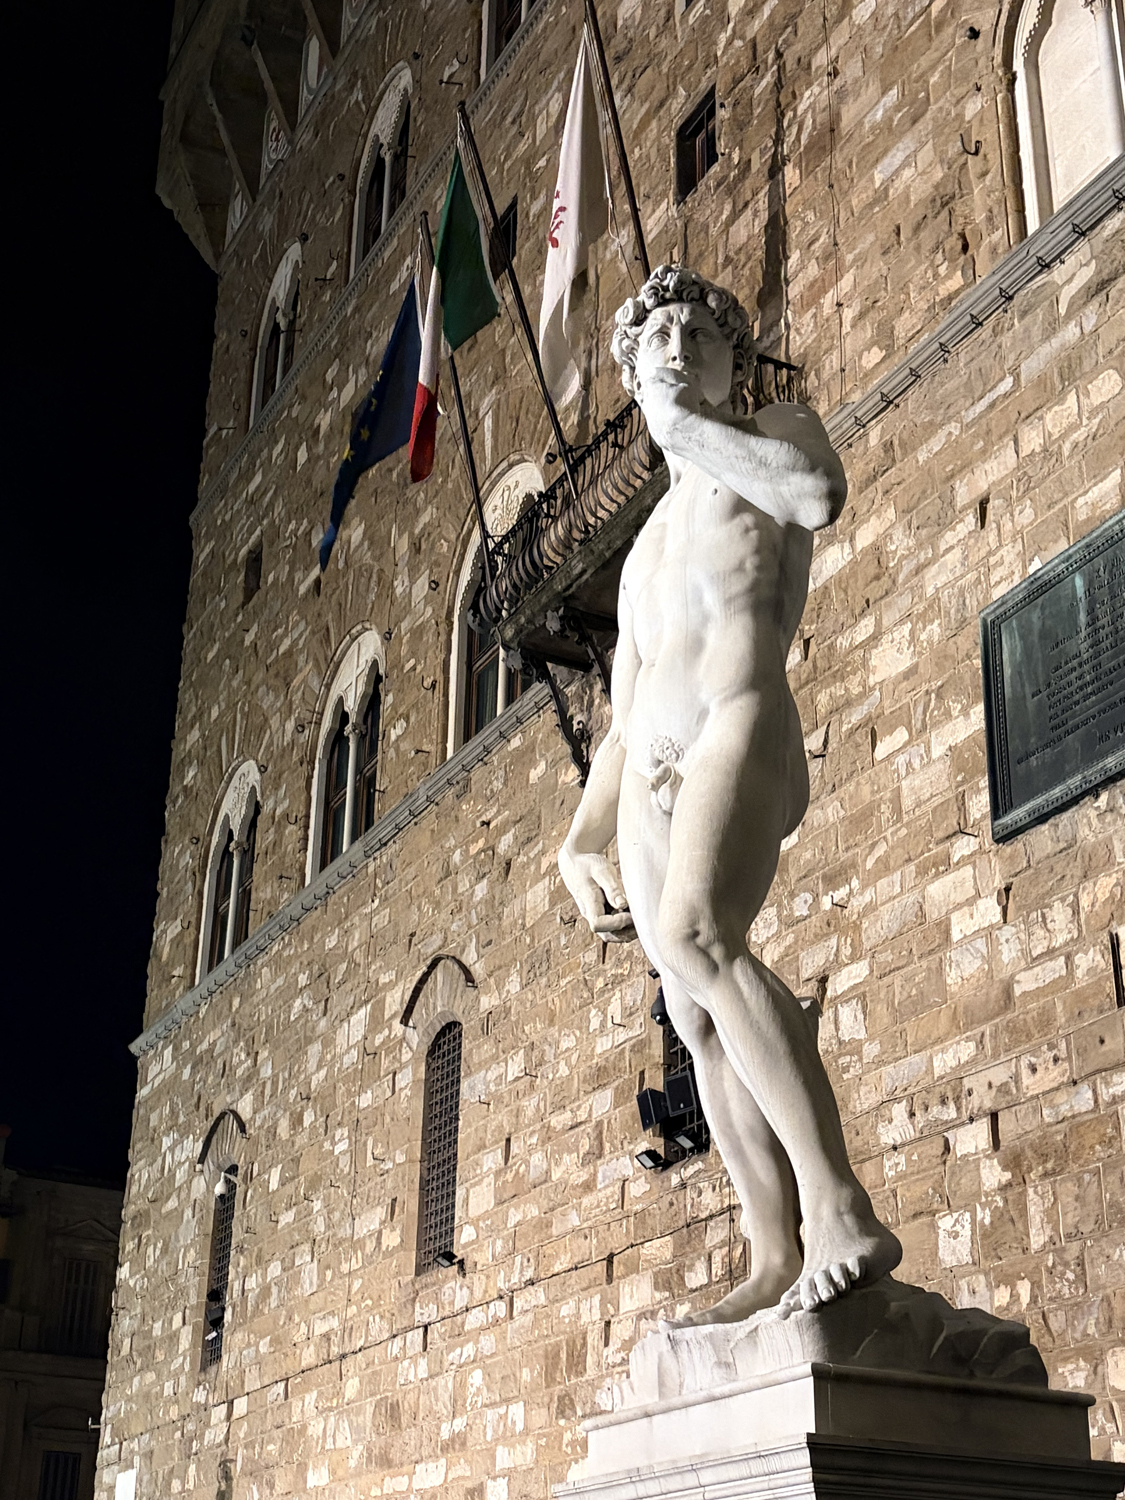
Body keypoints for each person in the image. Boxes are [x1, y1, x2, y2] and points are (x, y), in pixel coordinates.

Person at [558, 266, 901, 1321]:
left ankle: (841, 1212)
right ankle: (771, 1250)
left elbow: (816, 497)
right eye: (654, 337)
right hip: (654, 759)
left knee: (704, 935)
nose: (673, 348)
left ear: (732, 358)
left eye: (694, 335)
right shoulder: (646, 550)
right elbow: (619, 715)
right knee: (693, 1017)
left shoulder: (773, 434)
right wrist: (578, 838)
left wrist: (681, 424)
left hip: (740, 718)